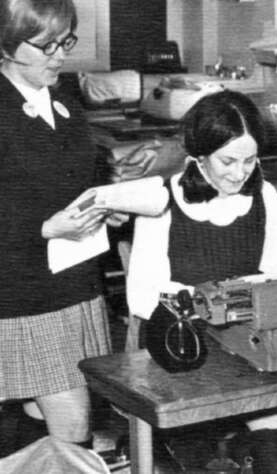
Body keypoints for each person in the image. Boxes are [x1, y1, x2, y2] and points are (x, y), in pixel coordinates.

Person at [126, 90, 277, 474]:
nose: (240, 173)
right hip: (185, 346)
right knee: (270, 416)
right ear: (199, 156)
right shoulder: (162, 200)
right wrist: (222, 297)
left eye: (250, 160)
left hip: (243, 337)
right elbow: (141, 297)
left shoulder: (264, 195)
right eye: (228, 161)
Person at [0, 0, 127, 452]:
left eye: (64, 42)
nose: (59, 56)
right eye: (45, 45)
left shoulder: (62, 99)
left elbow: (70, 181)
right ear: (6, 45)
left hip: (75, 284)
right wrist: (43, 229)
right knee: (73, 427)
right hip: (25, 294)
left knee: (42, 417)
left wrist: (106, 201)